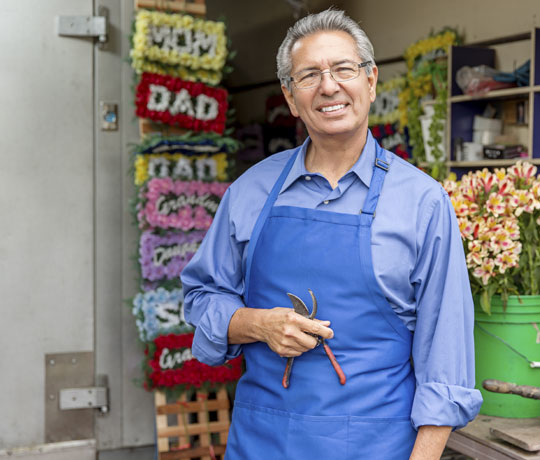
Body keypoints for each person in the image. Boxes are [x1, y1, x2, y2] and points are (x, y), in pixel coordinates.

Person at [182, 8, 482, 460]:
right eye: (309, 75)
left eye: (344, 69)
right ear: (289, 95)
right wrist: (258, 324)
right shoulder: (250, 191)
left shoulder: (422, 202)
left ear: (371, 80)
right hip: (260, 442)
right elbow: (201, 296)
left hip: (376, 446)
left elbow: (447, 364)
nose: (329, 86)